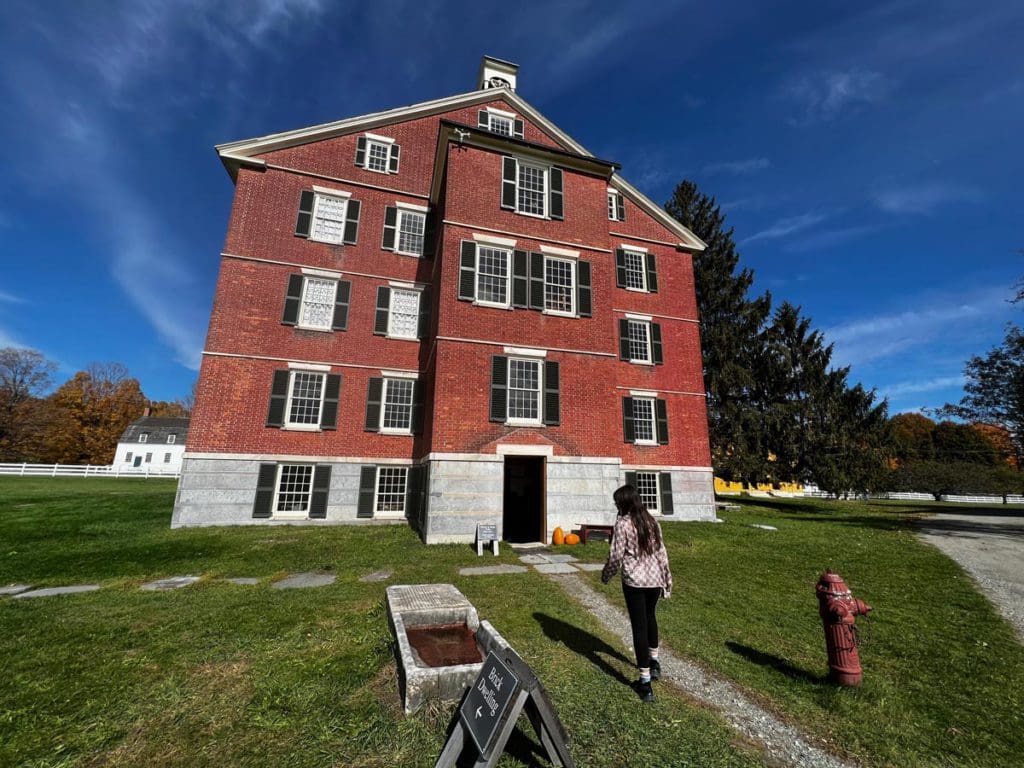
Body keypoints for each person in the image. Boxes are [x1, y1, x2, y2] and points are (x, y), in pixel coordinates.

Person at [601, 483, 672, 702]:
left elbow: (616, 556)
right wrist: (667, 579)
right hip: (654, 580)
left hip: (635, 582)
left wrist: (606, 574)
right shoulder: (651, 521)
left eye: (617, 502)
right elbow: (662, 552)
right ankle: (654, 661)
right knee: (650, 618)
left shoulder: (623, 524)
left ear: (623, 503)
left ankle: (645, 682)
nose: (616, 506)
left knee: (639, 626)